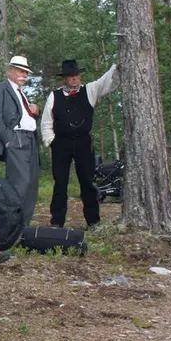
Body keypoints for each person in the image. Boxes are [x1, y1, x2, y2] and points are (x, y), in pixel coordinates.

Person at [40, 59, 120, 228]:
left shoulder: (90, 90)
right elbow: (46, 123)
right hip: (61, 144)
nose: (75, 79)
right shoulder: (54, 96)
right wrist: (51, 142)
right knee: (60, 184)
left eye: (77, 75)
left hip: (84, 144)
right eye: (71, 76)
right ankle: (56, 222)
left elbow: (105, 81)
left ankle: (93, 222)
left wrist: (115, 67)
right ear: (64, 78)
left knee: (88, 183)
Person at [0, 55, 40, 227]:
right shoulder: (0, 88)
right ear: (9, 71)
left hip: (30, 139)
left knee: (31, 185)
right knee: (19, 185)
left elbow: (23, 117)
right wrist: (8, 140)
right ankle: (7, 229)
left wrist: (35, 112)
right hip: (16, 139)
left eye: (26, 72)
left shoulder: (21, 93)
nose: (24, 75)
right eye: (20, 71)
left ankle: (23, 229)